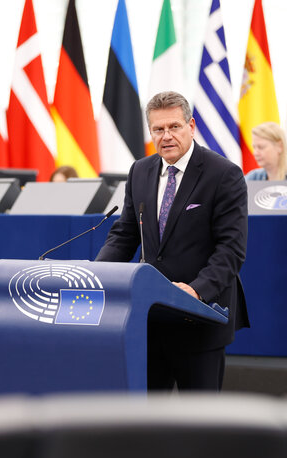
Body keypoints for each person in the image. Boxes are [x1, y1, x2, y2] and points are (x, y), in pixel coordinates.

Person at [96, 91, 249, 392]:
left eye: (174, 127)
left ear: (190, 126)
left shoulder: (224, 174)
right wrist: (97, 275)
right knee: (149, 422)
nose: (166, 136)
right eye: (158, 129)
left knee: (200, 424)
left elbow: (230, 249)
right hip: (150, 317)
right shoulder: (140, 171)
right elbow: (125, 234)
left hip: (201, 318)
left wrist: (196, 290)